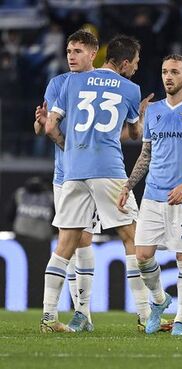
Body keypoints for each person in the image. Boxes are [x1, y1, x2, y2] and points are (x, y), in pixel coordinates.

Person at [41, 35, 150, 333]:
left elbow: (50, 125)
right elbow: (134, 133)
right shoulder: (130, 88)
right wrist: (140, 115)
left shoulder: (71, 83)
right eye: (136, 63)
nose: (136, 69)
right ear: (125, 63)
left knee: (65, 244)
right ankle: (145, 316)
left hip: (73, 170)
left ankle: (49, 318)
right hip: (108, 168)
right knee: (133, 237)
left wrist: (70, 145)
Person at [117, 54, 182, 337]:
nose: (168, 77)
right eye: (164, 71)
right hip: (153, 196)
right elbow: (146, 154)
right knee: (143, 256)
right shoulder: (154, 111)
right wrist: (128, 184)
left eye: (174, 71)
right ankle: (160, 301)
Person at [33, 29, 100, 331]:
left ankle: (81, 312)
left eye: (78, 51)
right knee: (73, 240)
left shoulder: (103, 85)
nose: (71, 56)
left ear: (93, 53)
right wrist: (39, 121)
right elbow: (43, 127)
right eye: (69, 51)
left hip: (95, 174)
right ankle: (73, 313)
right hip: (66, 175)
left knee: (83, 240)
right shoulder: (58, 83)